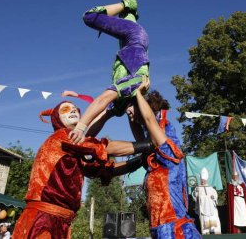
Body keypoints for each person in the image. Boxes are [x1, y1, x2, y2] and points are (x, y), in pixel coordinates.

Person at [12, 101, 152, 239]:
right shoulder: (62, 136)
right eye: (66, 109)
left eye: (75, 109)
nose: (73, 110)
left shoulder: (74, 154)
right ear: (56, 118)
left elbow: (107, 170)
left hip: (61, 220)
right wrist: (149, 144)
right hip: (43, 218)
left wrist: (139, 160)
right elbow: (102, 147)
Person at [69, 0, 150, 144]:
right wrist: (79, 128)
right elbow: (103, 99)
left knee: (128, 15)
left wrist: (84, 141)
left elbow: (104, 116)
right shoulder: (134, 85)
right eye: (134, 115)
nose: (130, 116)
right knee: (90, 17)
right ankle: (127, 2)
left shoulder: (122, 105)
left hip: (130, 41)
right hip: (135, 38)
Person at [125, 76, 201, 238]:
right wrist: (129, 108)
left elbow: (149, 119)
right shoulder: (153, 160)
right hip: (159, 228)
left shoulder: (168, 152)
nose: (128, 111)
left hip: (176, 230)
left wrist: (137, 93)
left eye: (131, 107)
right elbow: (141, 138)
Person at [192, 168, 221, 235]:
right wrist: (196, 193)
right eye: (202, 180)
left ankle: (216, 233)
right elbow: (195, 197)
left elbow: (215, 196)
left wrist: (213, 198)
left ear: (206, 180)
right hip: (203, 208)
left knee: (214, 220)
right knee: (205, 221)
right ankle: (206, 234)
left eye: (204, 180)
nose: (203, 181)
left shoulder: (211, 188)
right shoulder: (197, 188)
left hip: (212, 209)